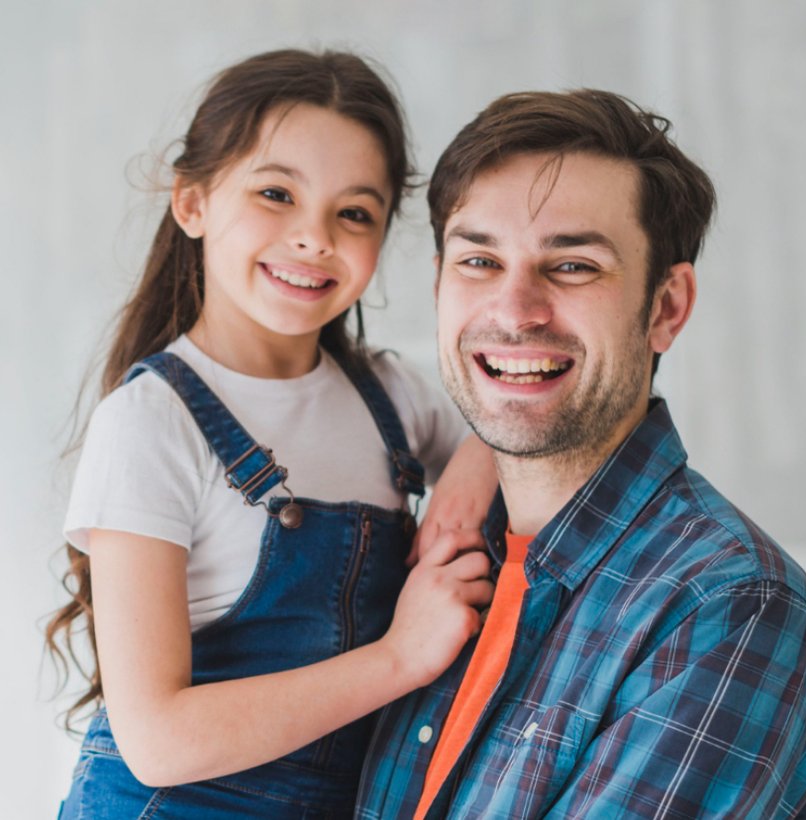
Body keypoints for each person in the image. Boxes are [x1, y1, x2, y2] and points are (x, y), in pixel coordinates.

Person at [46, 49, 497, 818]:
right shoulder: (150, 424)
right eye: (276, 193)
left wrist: (466, 475)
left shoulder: (391, 397)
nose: (314, 237)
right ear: (192, 203)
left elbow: (510, 430)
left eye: (353, 212)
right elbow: (157, 739)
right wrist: (399, 657)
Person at [356, 89, 806, 818]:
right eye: (479, 260)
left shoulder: (728, 605)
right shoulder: (421, 563)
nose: (514, 310)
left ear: (665, 307)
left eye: (572, 267)